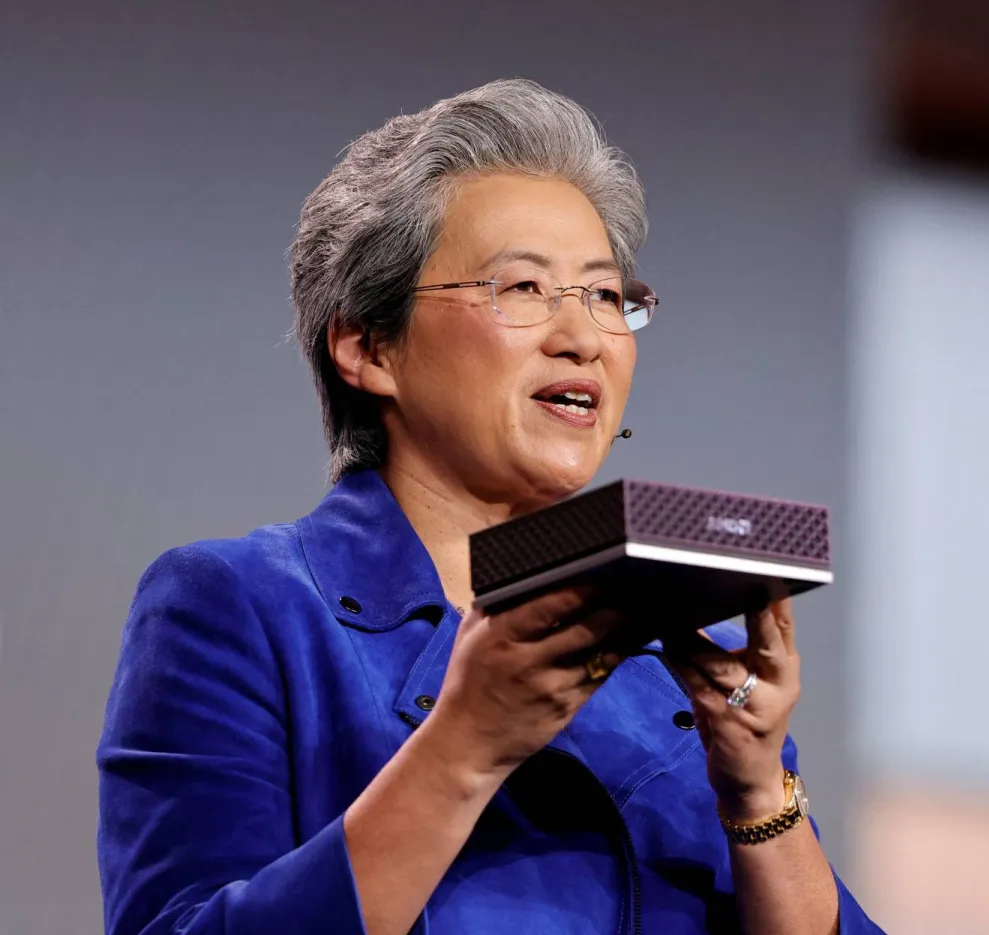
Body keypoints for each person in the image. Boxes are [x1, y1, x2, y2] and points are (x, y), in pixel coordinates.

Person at [96, 78, 882, 935]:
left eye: (607, 296)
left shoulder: (684, 671)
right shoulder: (240, 604)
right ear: (368, 346)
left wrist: (760, 791)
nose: (583, 335)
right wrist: (463, 748)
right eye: (522, 289)